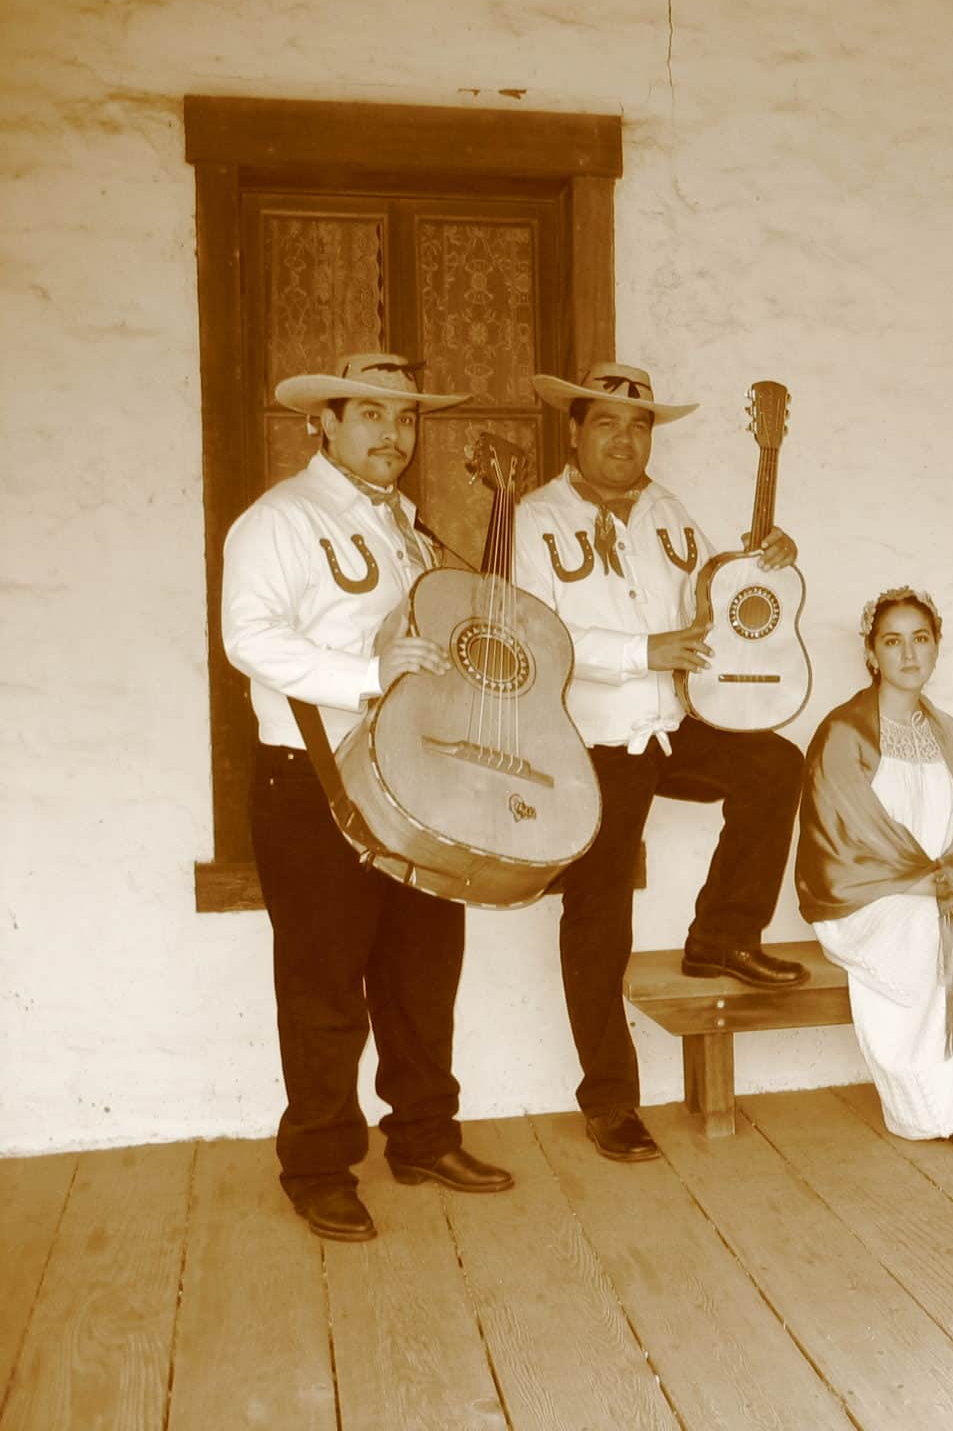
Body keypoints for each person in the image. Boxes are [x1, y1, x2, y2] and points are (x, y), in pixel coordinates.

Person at [222, 352, 515, 1242]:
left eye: (407, 417)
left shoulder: (408, 528)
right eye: (373, 414)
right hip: (314, 781)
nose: (395, 433)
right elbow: (248, 637)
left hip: (416, 782)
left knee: (422, 971)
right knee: (323, 988)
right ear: (326, 422)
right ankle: (317, 1169)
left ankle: (424, 1137)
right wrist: (366, 674)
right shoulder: (280, 520)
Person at [513, 361, 807, 1163]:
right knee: (599, 912)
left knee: (774, 766)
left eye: (638, 427)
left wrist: (763, 563)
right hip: (594, 738)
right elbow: (536, 635)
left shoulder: (669, 514)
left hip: (673, 725)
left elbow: (719, 601)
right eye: (606, 424)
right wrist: (644, 652)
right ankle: (610, 1100)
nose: (624, 440)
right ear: (575, 431)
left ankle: (721, 934)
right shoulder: (534, 521)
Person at [795, 588, 953, 1155]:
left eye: (920, 639)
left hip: (934, 888)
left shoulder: (948, 733)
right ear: (871, 653)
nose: (908, 654)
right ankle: (944, 1107)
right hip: (862, 899)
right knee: (939, 935)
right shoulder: (845, 732)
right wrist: (923, 884)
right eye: (892, 641)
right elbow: (842, 840)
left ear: (936, 647)